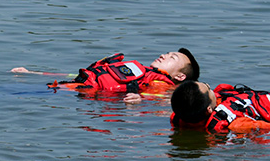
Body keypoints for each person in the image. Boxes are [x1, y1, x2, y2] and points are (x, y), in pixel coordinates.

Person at [12, 48, 199, 98]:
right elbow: (74, 75)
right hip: (72, 87)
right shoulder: (144, 72)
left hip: (77, 93)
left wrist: (137, 99)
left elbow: (155, 98)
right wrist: (32, 73)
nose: (163, 55)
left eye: (172, 57)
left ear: (180, 77)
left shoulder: (162, 85)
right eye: (166, 53)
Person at [170, 80, 270, 133]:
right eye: (209, 89)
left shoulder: (181, 114)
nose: (210, 86)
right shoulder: (237, 125)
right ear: (209, 109)